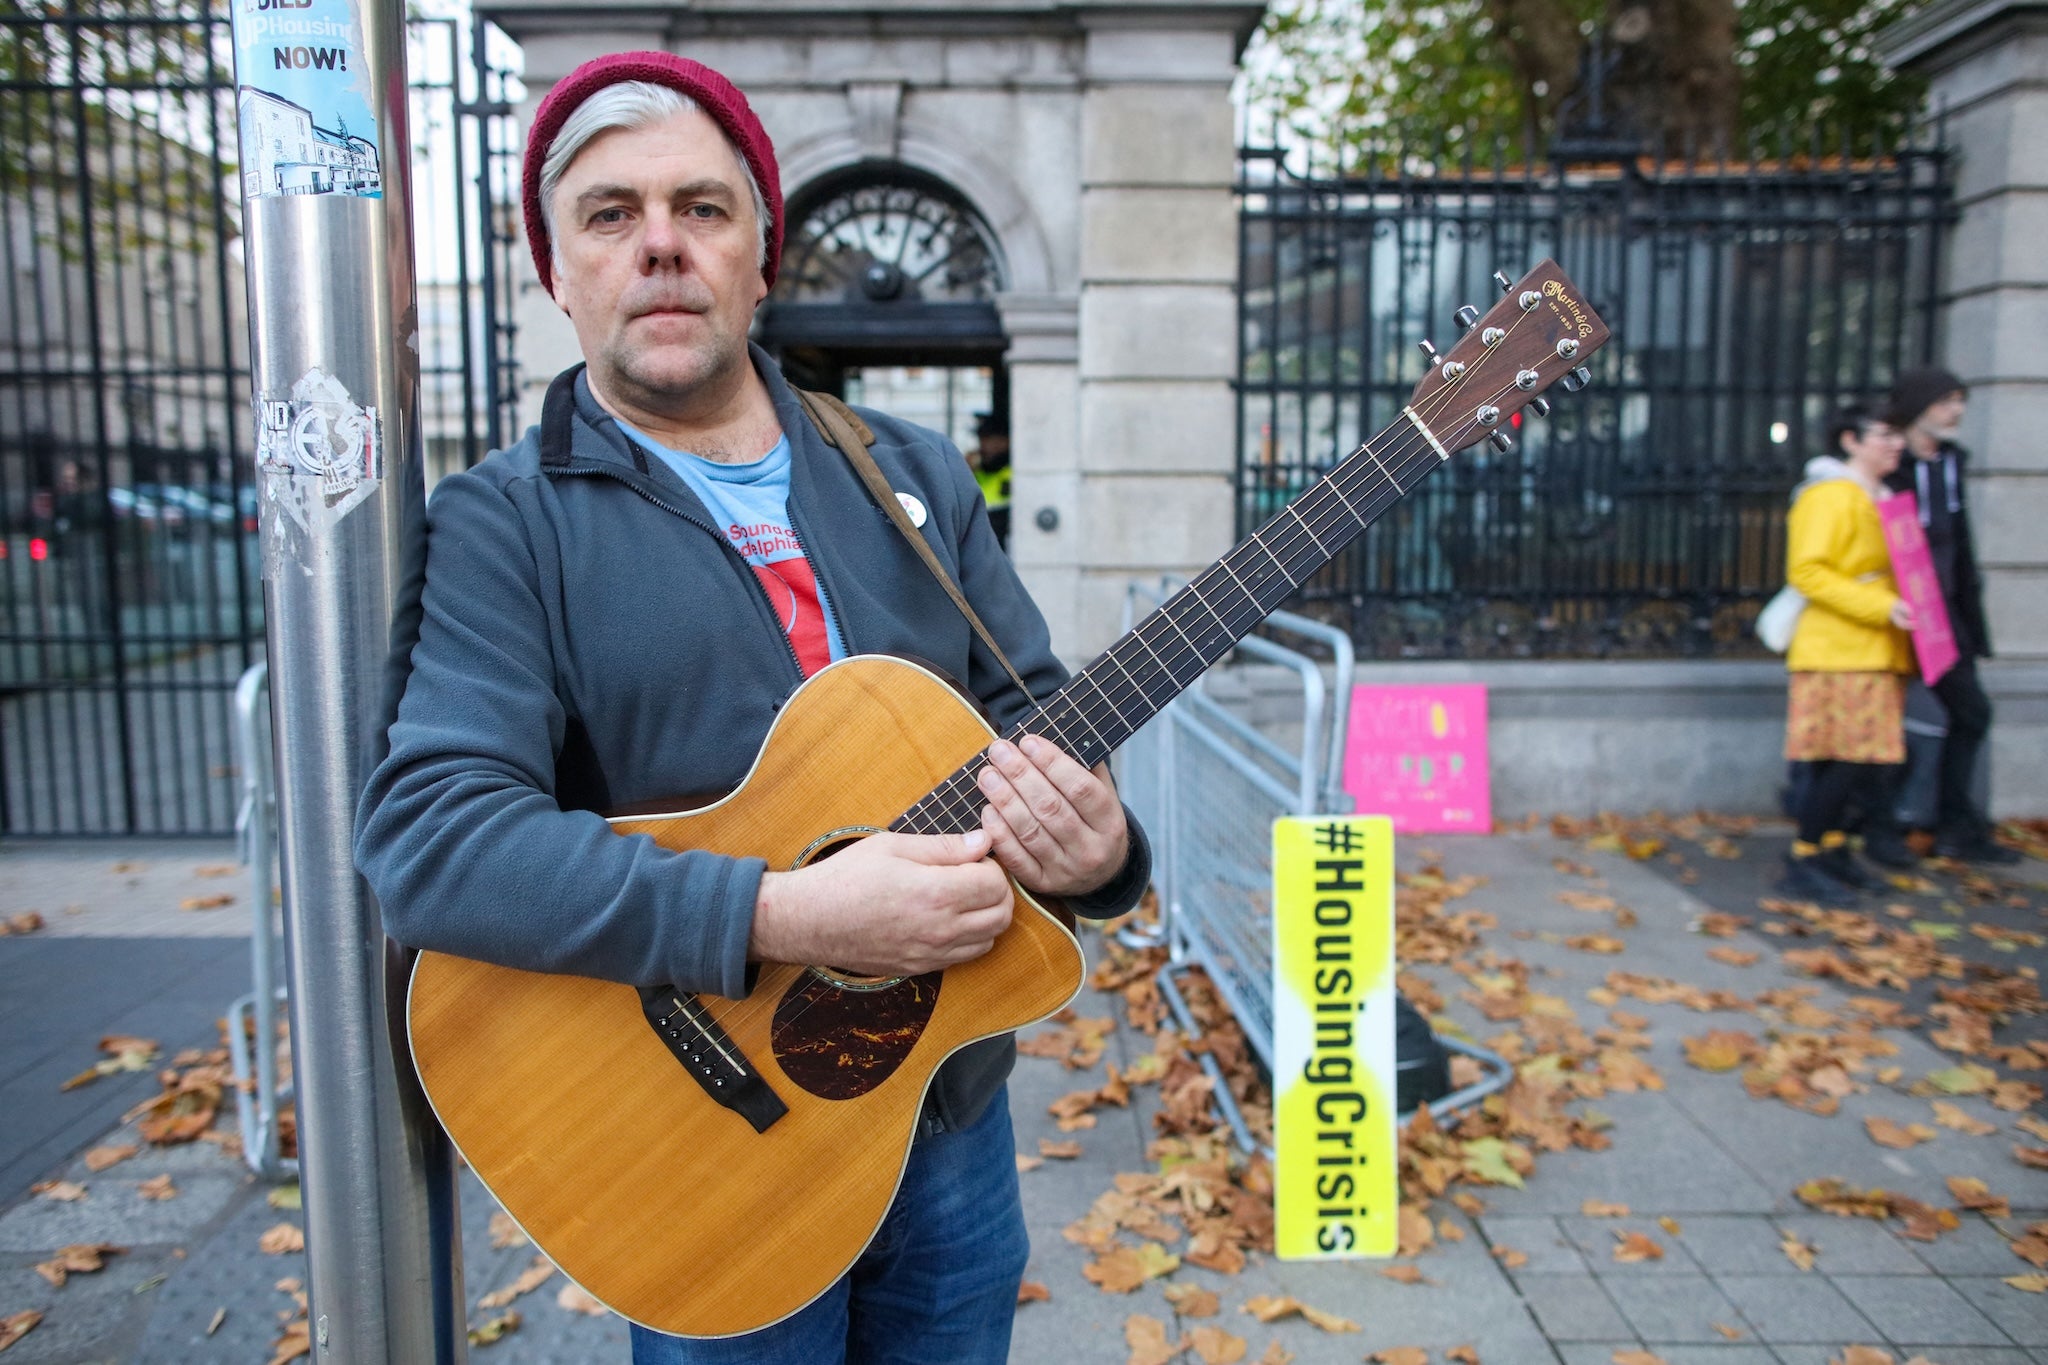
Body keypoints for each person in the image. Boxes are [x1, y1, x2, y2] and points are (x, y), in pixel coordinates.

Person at [352, 51, 1150, 1364]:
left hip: (945, 1118)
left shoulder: (909, 471)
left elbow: (1043, 715)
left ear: (761, 258)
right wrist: (783, 911)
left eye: (703, 209)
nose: (660, 245)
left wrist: (1104, 852)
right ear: (557, 273)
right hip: (707, 1142)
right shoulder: (503, 522)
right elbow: (434, 844)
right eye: (610, 215)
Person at [1776, 407, 1917, 905]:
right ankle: (1803, 857)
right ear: (1851, 441)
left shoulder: (1878, 497)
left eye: (1898, 436)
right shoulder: (1830, 496)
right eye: (1884, 435)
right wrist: (1884, 605)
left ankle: (1830, 849)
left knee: (1854, 762)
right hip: (1838, 649)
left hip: (1871, 648)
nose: (1894, 445)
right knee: (1843, 762)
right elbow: (1808, 572)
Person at [1881, 367, 2020, 865]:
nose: (1956, 411)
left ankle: (1955, 824)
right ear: (1918, 406)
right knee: (1881, 721)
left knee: (1972, 713)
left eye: (1960, 401)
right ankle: (1877, 824)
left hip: (1944, 618)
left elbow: (1958, 547)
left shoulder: (1951, 464)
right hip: (1895, 614)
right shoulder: (1888, 466)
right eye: (1946, 402)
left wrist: (1969, 622)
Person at [969, 413, 1011, 549]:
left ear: (1005, 441)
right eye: (981, 439)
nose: (982, 446)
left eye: (988, 439)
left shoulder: (1011, 476)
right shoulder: (978, 472)